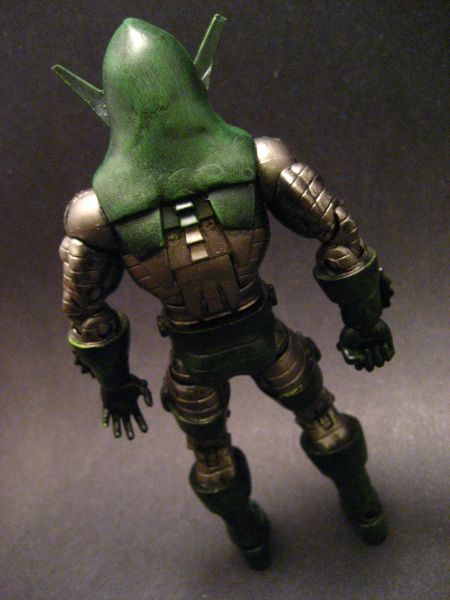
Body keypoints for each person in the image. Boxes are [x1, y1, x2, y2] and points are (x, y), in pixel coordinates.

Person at [56, 15, 395, 570]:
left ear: (109, 106)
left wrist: (115, 385)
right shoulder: (259, 162)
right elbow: (340, 239)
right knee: (321, 419)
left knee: (213, 458)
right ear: (196, 82)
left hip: (197, 358)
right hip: (261, 337)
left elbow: (86, 314)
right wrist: (364, 321)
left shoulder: (96, 214)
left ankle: (254, 541)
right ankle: (361, 509)